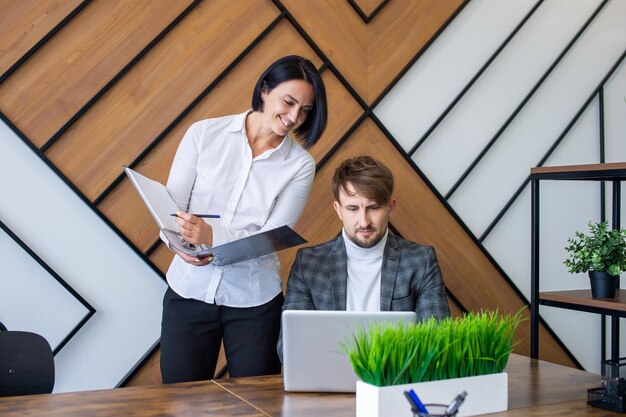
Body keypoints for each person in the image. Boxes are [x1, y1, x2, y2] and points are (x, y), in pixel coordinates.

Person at [160, 55, 327, 383]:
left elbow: (271, 237)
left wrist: (212, 234)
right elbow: (170, 207)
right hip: (188, 291)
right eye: (289, 102)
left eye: (305, 110)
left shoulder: (300, 166)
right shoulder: (204, 134)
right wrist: (176, 244)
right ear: (265, 90)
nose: (294, 117)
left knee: (256, 404)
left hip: (254, 301)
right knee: (181, 402)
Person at [278, 155, 450, 360]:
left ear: (390, 207)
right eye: (352, 208)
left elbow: (437, 343)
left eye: (373, 207)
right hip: (327, 383)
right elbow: (288, 349)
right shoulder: (309, 264)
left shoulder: (420, 261)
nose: (364, 221)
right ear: (338, 210)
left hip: (392, 382)